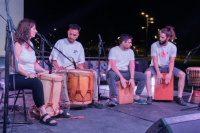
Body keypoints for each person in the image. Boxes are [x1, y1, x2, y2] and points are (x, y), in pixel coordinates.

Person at [9, 18, 70, 126]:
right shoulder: (18, 44)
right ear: (27, 29)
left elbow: (34, 64)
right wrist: (27, 74)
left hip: (29, 75)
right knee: (36, 82)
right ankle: (43, 113)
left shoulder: (31, 44)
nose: (36, 31)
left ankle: (53, 108)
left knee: (50, 77)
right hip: (16, 76)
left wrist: (45, 71)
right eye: (34, 28)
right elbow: (14, 64)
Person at [49, 24, 103, 109]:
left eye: (74, 35)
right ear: (68, 32)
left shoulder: (79, 45)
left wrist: (80, 68)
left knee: (94, 73)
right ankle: (66, 102)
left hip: (74, 70)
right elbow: (52, 59)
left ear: (78, 35)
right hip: (63, 70)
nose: (71, 36)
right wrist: (59, 68)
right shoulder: (60, 42)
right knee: (62, 76)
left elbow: (81, 62)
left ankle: (95, 100)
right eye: (70, 34)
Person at [145, 25, 187, 106]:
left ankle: (179, 97)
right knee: (147, 74)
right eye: (160, 37)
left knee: (182, 75)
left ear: (168, 38)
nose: (160, 39)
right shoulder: (154, 45)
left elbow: (171, 62)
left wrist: (170, 73)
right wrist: (158, 73)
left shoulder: (173, 47)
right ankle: (149, 96)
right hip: (156, 66)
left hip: (167, 67)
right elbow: (155, 60)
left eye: (162, 37)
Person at [106, 34, 147, 107]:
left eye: (131, 42)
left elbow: (132, 65)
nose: (131, 44)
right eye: (129, 42)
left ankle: (137, 97)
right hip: (115, 72)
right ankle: (114, 98)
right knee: (111, 75)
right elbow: (113, 66)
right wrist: (121, 78)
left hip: (126, 72)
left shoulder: (130, 51)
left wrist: (132, 78)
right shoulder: (114, 50)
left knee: (143, 76)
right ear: (123, 42)